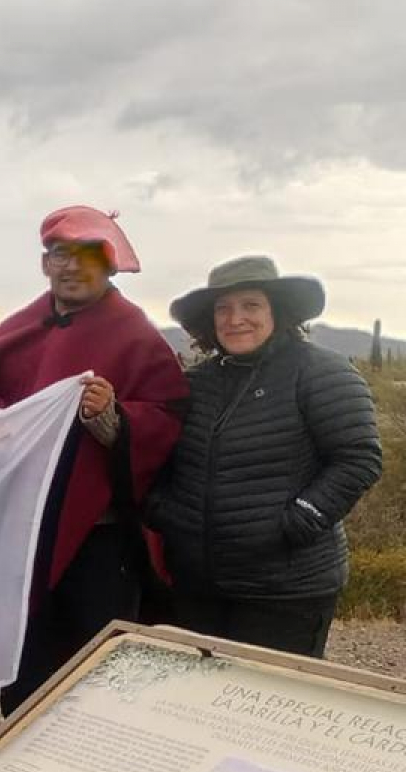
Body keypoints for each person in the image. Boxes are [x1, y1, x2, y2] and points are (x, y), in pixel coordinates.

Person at [0, 206, 188, 714]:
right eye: (60, 255)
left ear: (109, 266)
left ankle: (89, 760)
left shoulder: (133, 333)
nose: (71, 267)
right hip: (24, 530)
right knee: (27, 659)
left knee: (94, 664)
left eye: (87, 256)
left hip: (101, 539)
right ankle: (18, 754)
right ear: (45, 264)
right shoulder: (26, 324)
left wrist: (111, 417)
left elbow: (167, 415)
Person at [146, 256, 382, 657]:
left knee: (268, 694)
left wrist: (297, 522)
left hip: (286, 590)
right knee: (199, 693)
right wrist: (164, 513)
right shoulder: (195, 383)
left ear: (277, 310)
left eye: (251, 305)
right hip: (198, 586)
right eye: (223, 308)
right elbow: (161, 455)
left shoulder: (321, 372)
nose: (235, 319)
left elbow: (358, 458)